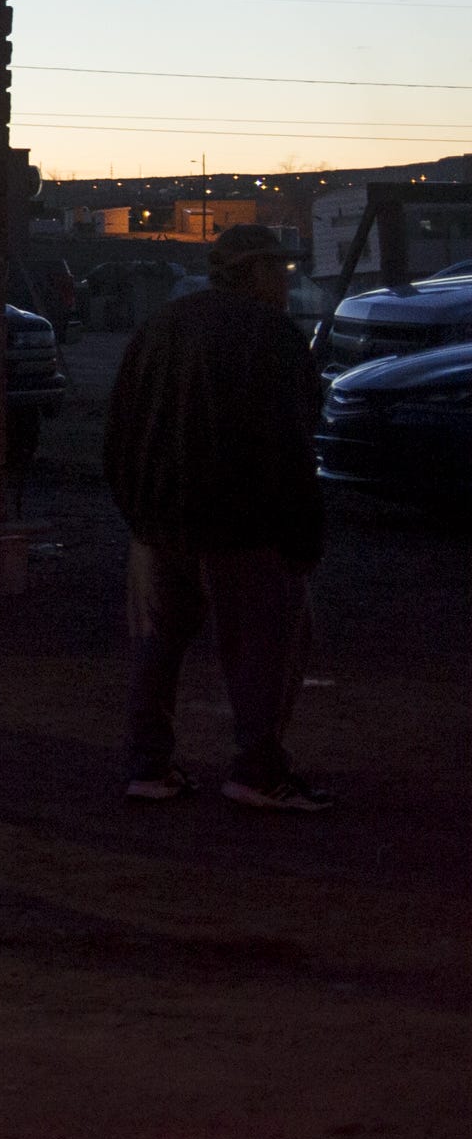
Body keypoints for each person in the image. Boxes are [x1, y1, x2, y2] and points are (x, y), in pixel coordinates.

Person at [105, 222, 334, 812]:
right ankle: (257, 772)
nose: (285, 282)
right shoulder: (270, 336)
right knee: (262, 649)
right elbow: (290, 443)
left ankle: (148, 767)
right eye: (277, 270)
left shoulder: (160, 327)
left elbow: (120, 427)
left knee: (156, 647)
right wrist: (302, 532)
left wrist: (137, 508)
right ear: (255, 272)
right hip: (243, 526)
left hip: (157, 522)